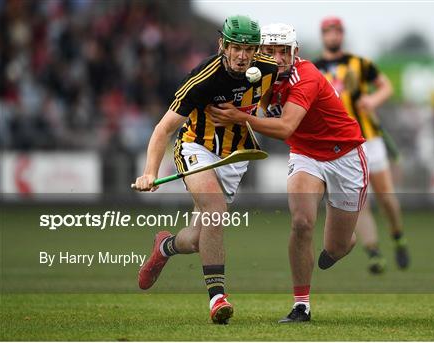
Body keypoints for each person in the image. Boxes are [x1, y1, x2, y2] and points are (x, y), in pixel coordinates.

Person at [208, 23, 368, 323]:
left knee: (336, 245)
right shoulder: (257, 74)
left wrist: (239, 117)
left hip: (344, 155)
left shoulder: (306, 77)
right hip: (305, 153)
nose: (277, 58)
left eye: (283, 51)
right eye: (269, 51)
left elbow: (284, 127)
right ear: (259, 52)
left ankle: (342, 246)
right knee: (302, 222)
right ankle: (301, 306)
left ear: (295, 52)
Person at [132, 15, 278, 324]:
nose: (242, 55)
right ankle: (217, 298)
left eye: (248, 49)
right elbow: (163, 129)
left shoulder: (268, 68)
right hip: (196, 148)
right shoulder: (204, 79)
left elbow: (282, 90)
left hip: (234, 156)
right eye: (235, 47)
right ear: (222, 45)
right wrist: (149, 172)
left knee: (200, 238)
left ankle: (165, 246)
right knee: (215, 209)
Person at [314, 17, 410, 274]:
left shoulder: (360, 64)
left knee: (386, 197)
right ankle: (374, 252)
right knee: (360, 203)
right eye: (328, 32)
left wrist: (373, 101)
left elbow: (385, 87)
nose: (333, 36)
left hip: (369, 138)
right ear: (323, 35)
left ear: (342, 35)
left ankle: (398, 236)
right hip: (341, 145)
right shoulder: (314, 68)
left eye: (337, 31)